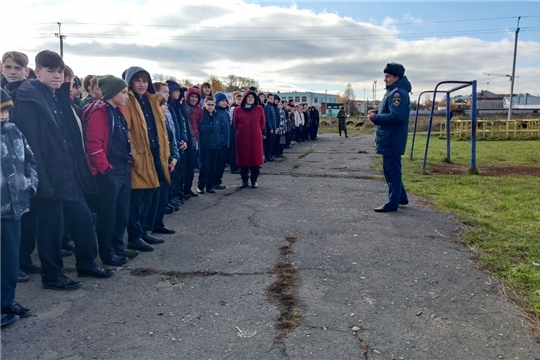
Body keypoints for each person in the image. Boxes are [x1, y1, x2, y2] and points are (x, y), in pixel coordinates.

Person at [11, 51, 113, 291]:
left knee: (83, 218)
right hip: (48, 176)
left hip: (68, 173)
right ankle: (52, 275)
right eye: (50, 71)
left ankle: (87, 262)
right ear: (37, 72)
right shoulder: (28, 99)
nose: (57, 75)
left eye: (59, 71)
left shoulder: (58, 98)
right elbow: (30, 145)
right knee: (51, 228)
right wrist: (41, 180)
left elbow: (70, 138)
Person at [83, 75, 138, 266]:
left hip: (122, 167)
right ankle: (107, 252)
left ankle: (118, 246)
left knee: (122, 211)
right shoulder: (100, 112)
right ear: (112, 93)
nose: (126, 96)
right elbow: (94, 144)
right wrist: (104, 169)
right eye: (123, 92)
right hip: (110, 171)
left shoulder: (117, 110)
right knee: (109, 213)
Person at [122, 66, 171, 252]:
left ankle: (142, 231)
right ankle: (134, 236)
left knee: (150, 195)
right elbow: (126, 129)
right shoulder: (128, 102)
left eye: (144, 81)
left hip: (154, 154)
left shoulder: (150, 101)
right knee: (137, 198)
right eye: (137, 80)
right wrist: (133, 153)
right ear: (130, 82)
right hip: (140, 156)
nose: (142, 84)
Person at [1, 88, 37, 328]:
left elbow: (30, 160)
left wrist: (30, 185)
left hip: (14, 206)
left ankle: (7, 301)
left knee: (10, 259)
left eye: (5, 109)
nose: (3, 115)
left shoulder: (13, 130)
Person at [368, 62, 411, 213]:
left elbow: (396, 116)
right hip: (390, 138)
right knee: (393, 169)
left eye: (388, 76)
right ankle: (401, 197)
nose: (385, 79)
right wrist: (377, 111)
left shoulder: (398, 94)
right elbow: (391, 111)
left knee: (391, 171)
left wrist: (375, 118)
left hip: (392, 138)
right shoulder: (393, 92)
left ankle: (392, 203)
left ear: (396, 77)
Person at [233, 90, 265, 188]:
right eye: (248, 97)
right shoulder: (238, 109)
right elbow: (235, 124)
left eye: (252, 97)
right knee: (243, 161)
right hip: (243, 139)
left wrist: (257, 131)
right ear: (245, 98)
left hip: (255, 138)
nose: (250, 99)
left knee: (255, 162)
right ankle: (244, 181)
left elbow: (262, 123)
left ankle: (254, 180)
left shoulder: (259, 109)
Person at [197, 96, 221, 194]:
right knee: (204, 166)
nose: (211, 107)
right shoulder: (202, 115)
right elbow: (199, 127)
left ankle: (209, 186)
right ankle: (200, 186)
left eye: (212, 105)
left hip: (215, 144)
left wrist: (220, 139)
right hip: (204, 144)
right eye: (209, 104)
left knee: (213, 167)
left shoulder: (217, 115)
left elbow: (221, 128)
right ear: (205, 104)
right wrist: (208, 127)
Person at [212, 92, 230, 189]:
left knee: (222, 163)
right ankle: (214, 182)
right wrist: (220, 139)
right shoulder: (216, 112)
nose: (224, 103)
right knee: (217, 164)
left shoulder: (225, 112)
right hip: (219, 143)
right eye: (222, 101)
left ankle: (218, 180)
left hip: (225, 142)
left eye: (225, 101)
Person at [228, 91, 242, 174]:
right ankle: (233, 167)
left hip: (239, 131)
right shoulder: (233, 108)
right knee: (233, 149)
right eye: (238, 99)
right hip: (233, 130)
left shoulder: (240, 108)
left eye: (241, 99)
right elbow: (230, 121)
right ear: (235, 100)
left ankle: (237, 166)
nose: (240, 101)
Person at [264, 93, 276, 162]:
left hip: (273, 128)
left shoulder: (272, 106)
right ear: (267, 99)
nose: (272, 99)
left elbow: (273, 118)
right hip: (269, 129)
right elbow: (267, 118)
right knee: (268, 143)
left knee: (272, 143)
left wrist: (275, 127)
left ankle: (270, 155)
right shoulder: (267, 106)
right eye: (270, 98)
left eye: (272, 98)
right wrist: (270, 128)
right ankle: (268, 156)